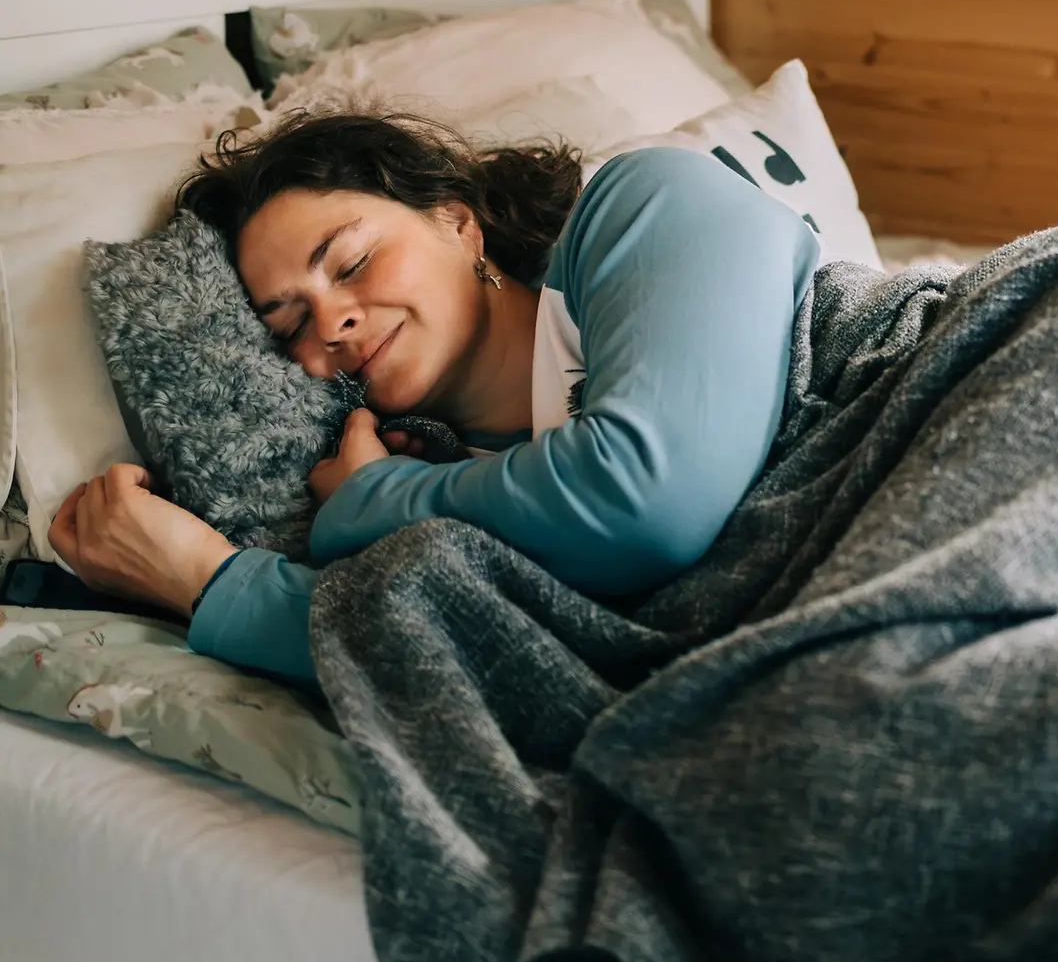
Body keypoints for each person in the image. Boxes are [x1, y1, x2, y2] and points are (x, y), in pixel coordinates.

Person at [48, 112, 821, 682]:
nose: (332, 321)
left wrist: (376, 495)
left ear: (458, 223)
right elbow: (487, 666)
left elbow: (647, 500)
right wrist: (204, 580)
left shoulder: (642, 205)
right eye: (287, 329)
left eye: (350, 262)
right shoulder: (453, 493)